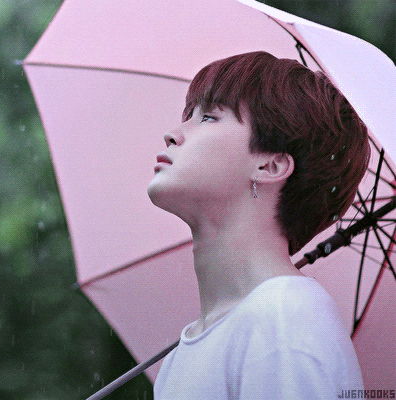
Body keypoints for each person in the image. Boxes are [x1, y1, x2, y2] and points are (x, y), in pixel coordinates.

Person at [147, 51, 369, 400]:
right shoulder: (181, 356)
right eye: (187, 116)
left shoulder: (284, 320)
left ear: (270, 166)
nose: (172, 135)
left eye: (208, 117)